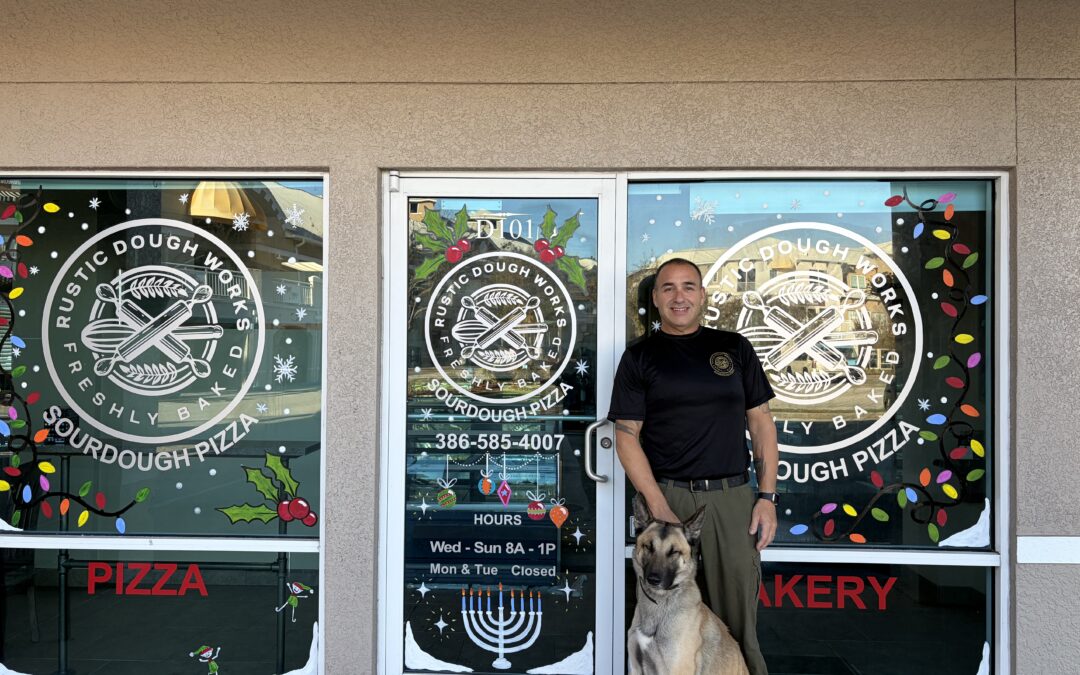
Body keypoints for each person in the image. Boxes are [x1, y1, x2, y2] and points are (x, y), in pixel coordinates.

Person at [608, 257, 778, 675]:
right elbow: (626, 435)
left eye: (688, 287)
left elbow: (761, 422)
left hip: (731, 498)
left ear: (702, 296)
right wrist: (657, 505)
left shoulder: (734, 347)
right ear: (655, 298)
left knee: (737, 626)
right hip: (669, 498)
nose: (678, 296)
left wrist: (767, 496)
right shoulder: (639, 358)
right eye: (668, 288)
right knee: (665, 624)